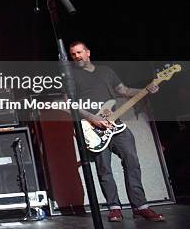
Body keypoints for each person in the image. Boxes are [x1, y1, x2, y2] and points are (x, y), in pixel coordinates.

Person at [69, 41, 165, 222]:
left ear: (88, 52)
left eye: (79, 52)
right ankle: (114, 208)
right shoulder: (71, 76)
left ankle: (141, 206)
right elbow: (71, 104)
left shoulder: (106, 71)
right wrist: (92, 118)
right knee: (104, 169)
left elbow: (124, 90)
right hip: (93, 127)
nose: (77, 57)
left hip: (116, 124)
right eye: (73, 54)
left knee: (132, 161)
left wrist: (146, 89)